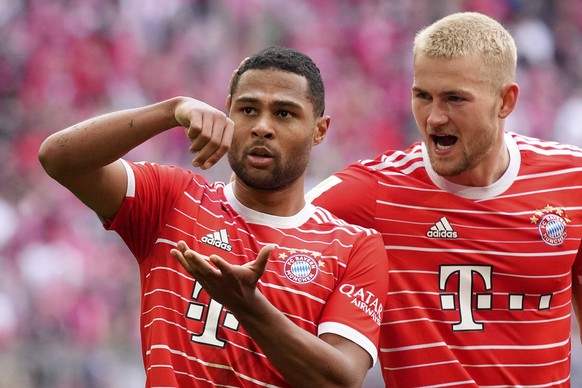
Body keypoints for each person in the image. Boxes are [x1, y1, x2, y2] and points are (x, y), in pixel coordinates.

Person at [38, 46, 388, 387]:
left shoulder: (354, 247)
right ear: (227, 113)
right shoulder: (172, 199)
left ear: (320, 130)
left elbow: (340, 380)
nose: (262, 127)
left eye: (284, 113)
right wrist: (171, 110)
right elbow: (59, 158)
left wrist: (246, 304)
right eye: (248, 110)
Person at [306, 12, 582, 387]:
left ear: (505, 101)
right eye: (423, 96)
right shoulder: (374, 192)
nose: (434, 117)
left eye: (454, 99)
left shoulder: (570, 181)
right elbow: (261, 221)